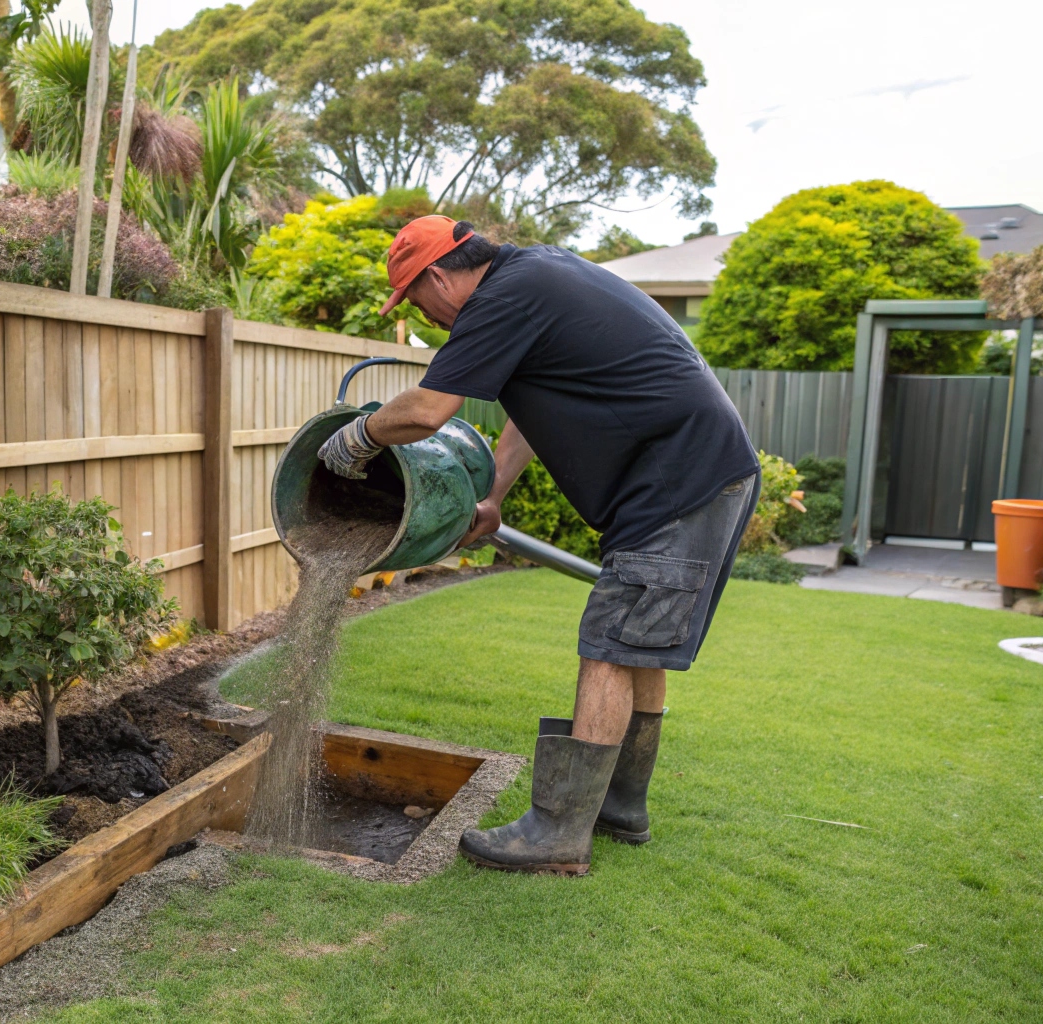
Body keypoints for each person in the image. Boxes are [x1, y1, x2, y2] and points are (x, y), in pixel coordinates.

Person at [317, 216, 760, 875]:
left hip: (679, 479)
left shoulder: (504, 297)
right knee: (637, 647)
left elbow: (426, 411)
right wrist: (492, 494)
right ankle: (619, 807)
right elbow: (533, 407)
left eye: (414, 299)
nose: (423, 314)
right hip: (689, 473)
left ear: (439, 275)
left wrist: (358, 437)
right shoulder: (535, 278)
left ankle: (557, 831)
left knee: (609, 645)